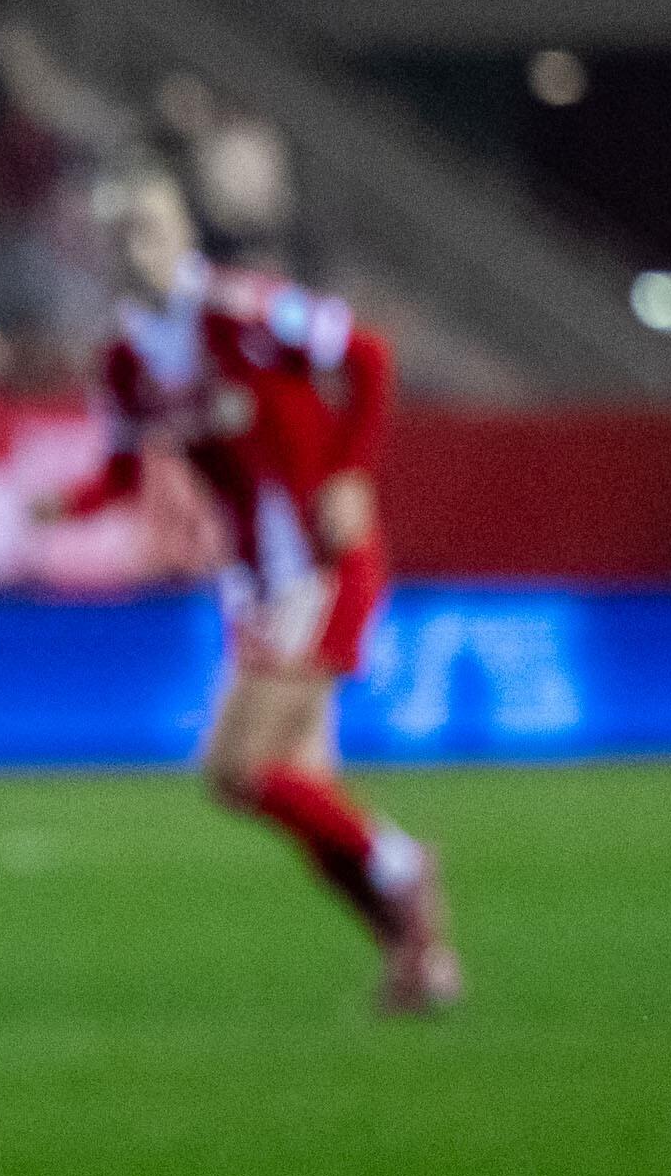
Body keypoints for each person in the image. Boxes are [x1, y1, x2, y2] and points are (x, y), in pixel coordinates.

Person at [42, 172, 455, 1010]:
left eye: (149, 226)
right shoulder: (124, 361)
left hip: (323, 568)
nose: (136, 245)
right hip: (257, 588)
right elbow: (126, 470)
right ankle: (415, 960)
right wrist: (67, 505)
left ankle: (402, 861)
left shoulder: (244, 311)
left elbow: (368, 356)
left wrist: (351, 473)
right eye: (120, 233)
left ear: (184, 230)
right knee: (299, 797)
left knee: (237, 768)